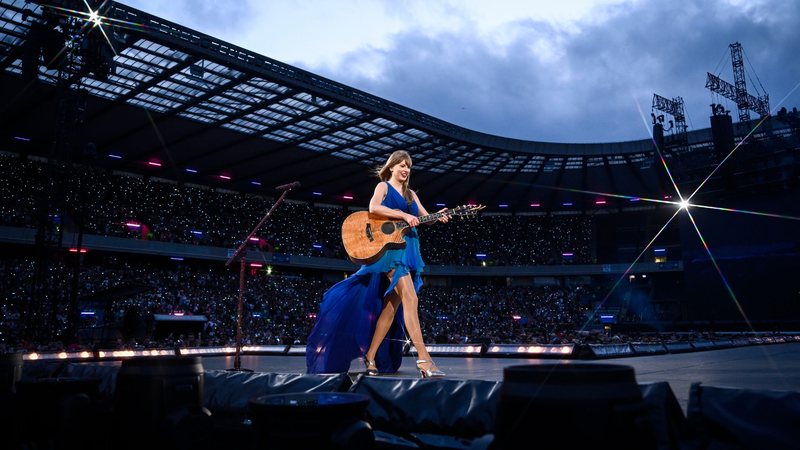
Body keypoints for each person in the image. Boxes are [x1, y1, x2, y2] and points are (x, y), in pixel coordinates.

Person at [306, 150, 448, 377]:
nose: (405, 169)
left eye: (408, 166)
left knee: (391, 308)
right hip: (391, 253)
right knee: (411, 298)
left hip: (408, 250)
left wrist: (438, 216)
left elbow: (424, 217)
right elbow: (373, 208)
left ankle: (370, 355)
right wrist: (401, 215)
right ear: (391, 167)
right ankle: (424, 359)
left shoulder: (412, 194)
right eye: (401, 165)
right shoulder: (383, 187)